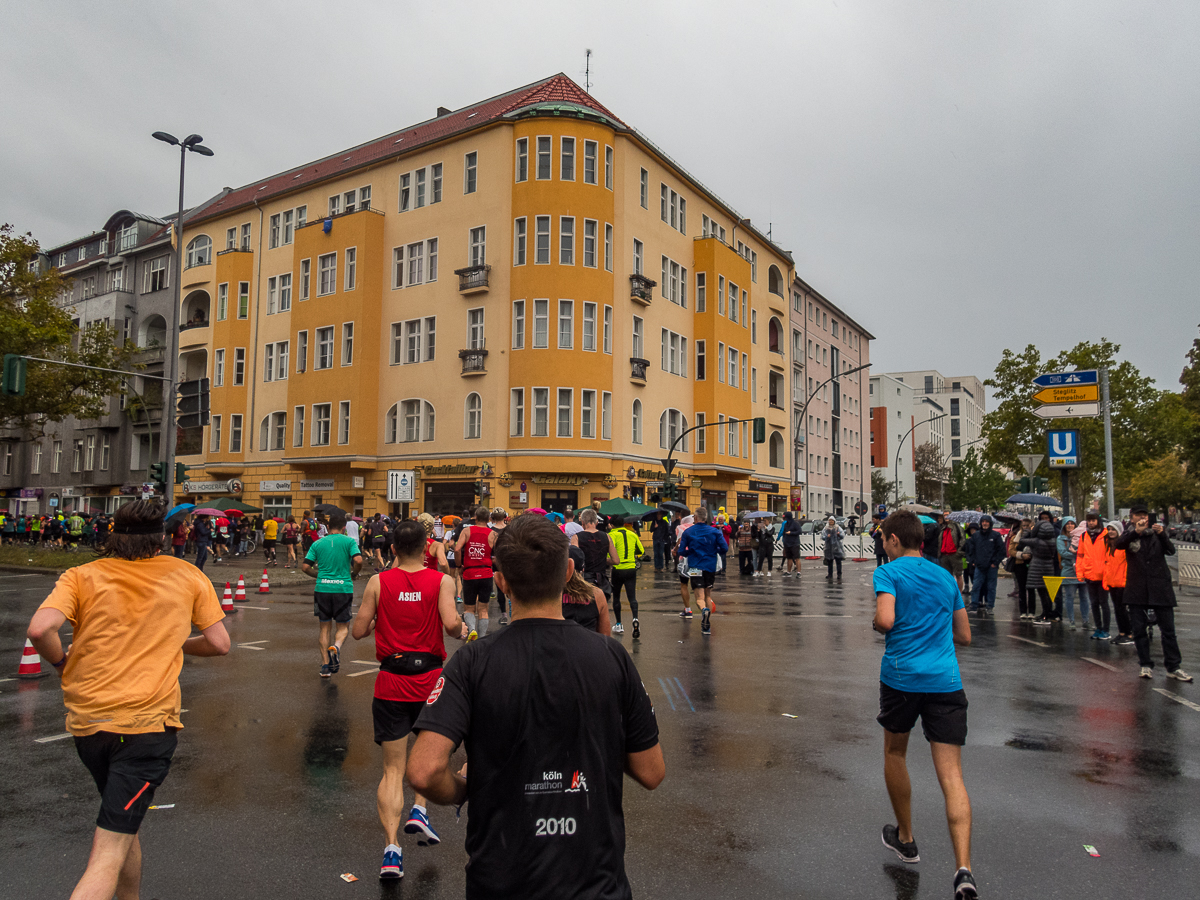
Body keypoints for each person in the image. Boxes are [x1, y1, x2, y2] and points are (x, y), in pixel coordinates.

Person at [406, 513, 664, 899]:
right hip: (596, 882)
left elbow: (424, 772)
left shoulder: (472, 662)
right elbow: (651, 771)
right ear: (568, 573)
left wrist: (463, 789)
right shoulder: (611, 657)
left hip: (502, 879)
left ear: (501, 582)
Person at [25, 500, 229, 900]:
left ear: (112, 535)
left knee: (121, 828)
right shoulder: (186, 575)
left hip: (89, 726)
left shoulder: (81, 575)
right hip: (145, 731)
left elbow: (40, 628)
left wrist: (61, 662)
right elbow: (220, 644)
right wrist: (173, 641)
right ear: (165, 538)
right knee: (107, 852)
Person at [351, 519, 468, 879]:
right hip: (430, 682)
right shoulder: (442, 581)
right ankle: (420, 808)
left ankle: (391, 850)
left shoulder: (377, 582)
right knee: (431, 757)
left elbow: (357, 631)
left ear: (392, 549)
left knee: (392, 770)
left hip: (391, 681)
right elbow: (451, 626)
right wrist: (462, 627)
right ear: (426, 548)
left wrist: (375, 620)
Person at [870, 509, 977, 900]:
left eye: (884, 539)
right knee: (952, 776)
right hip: (946, 681)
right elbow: (964, 636)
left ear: (896, 540)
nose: (883, 545)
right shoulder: (946, 576)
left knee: (895, 753)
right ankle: (963, 869)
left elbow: (885, 619)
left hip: (901, 678)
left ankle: (907, 838)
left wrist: (877, 622)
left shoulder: (889, 572)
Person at [1116, 505, 1191, 681]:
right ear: (1132, 517)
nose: (1142, 519)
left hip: (1160, 588)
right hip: (1137, 588)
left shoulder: (1157, 534)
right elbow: (1119, 545)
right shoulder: (1129, 534)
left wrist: (1162, 534)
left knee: (1168, 630)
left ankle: (1173, 667)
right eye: (1138, 516)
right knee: (1139, 630)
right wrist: (1136, 532)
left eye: (1145, 516)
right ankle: (1145, 665)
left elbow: (1171, 550)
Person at [301, 513, 364, 677]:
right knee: (343, 626)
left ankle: (325, 667)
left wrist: (319, 576)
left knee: (324, 626)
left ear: (327, 527)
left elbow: (305, 567)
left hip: (322, 588)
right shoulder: (349, 541)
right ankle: (336, 647)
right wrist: (354, 574)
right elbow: (358, 561)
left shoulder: (318, 543)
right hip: (343, 588)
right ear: (344, 528)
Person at [677, 507, 728, 636]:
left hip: (695, 566)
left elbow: (682, 551)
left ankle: (703, 610)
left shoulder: (688, 532)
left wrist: (691, 551)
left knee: (699, 597)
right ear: (706, 518)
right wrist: (713, 550)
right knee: (708, 596)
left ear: (695, 518)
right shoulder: (715, 532)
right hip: (710, 566)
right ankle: (707, 623)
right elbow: (724, 548)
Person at [456, 506, 499, 640]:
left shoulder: (467, 531)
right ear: (489, 519)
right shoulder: (493, 534)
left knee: (469, 608)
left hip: (470, 573)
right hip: (486, 573)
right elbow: (498, 556)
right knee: (484, 609)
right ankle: (481, 638)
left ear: (475, 517)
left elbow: (457, 549)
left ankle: (472, 629)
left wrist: (459, 566)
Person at [1076, 511, 1111, 639]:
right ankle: (1099, 628)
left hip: (1103, 575)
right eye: (1089, 520)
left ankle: (1106, 630)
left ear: (1098, 521)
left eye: (1093, 520)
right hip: (1089, 575)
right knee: (1094, 603)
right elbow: (1080, 555)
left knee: (1104, 603)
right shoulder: (1084, 536)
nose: (1091, 523)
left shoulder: (1106, 535)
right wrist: (1080, 572)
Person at [563, 544, 613, 634]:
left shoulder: (551, 595)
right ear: (583, 569)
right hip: (589, 645)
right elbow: (605, 636)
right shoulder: (597, 594)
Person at [1019, 519, 1060, 625]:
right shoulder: (1053, 540)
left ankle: (1045, 615)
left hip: (1037, 567)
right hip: (1048, 567)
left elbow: (1022, 541)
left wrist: (1028, 532)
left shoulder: (1036, 541)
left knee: (1042, 593)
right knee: (1046, 592)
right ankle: (1045, 613)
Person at [611, 516, 645, 638]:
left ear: (613, 525)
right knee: (632, 597)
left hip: (618, 568)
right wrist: (633, 554)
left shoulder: (612, 534)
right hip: (631, 568)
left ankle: (619, 623)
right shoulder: (632, 534)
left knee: (616, 596)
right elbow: (641, 550)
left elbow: (610, 550)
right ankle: (635, 618)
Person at [965, 516, 1006, 616]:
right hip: (979, 566)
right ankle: (974, 605)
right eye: (983, 521)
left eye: (987, 522)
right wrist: (973, 561)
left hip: (991, 567)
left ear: (990, 523)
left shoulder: (996, 535)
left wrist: (995, 563)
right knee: (976, 587)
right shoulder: (976, 536)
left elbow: (1001, 551)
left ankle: (990, 606)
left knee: (991, 587)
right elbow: (970, 549)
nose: (985, 523)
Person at [1102, 522, 1134, 645]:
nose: (1110, 531)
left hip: (1122, 582)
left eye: (1113, 529)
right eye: (1109, 529)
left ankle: (1129, 634)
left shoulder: (1124, 546)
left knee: (1123, 609)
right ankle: (1122, 633)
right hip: (1112, 582)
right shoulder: (1108, 545)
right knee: (1117, 609)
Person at [1056, 518, 1088, 629]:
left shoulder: (1083, 536)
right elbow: (1063, 553)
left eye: (1072, 523)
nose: (1070, 526)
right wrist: (1079, 555)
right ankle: (1071, 621)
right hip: (1069, 570)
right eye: (1067, 524)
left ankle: (1085, 620)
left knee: (1084, 597)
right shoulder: (1061, 538)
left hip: (1082, 570)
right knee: (1070, 596)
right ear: (1064, 526)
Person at [1007, 517, 1034, 619]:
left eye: (1027, 526)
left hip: (1031, 564)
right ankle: (1023, 611)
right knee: (1022, 589)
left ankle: (1031, 612)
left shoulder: (1034, 537)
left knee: (1031, 589)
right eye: (1024, 526)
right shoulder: (1015, 537)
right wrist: (1021, 555)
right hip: (1019, 563)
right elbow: (1011, 551)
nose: (1025, 527)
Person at [488, 508, 511, 624]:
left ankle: (504, 615)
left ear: (493, 517)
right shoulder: (510, 530)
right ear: (504, 516)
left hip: (496, 561)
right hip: (510, 559)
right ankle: (513, 610)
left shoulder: (491, 531)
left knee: (500, 589)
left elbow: (490, 548)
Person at [673, 514, 695, 617]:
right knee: (698, 585)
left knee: (684, 584)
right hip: (696, 558)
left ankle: (687, 609)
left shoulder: (680, 528)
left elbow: (679, 540)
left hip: (684, 559)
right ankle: (704, 605)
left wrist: (675, 549)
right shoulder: (696, 528)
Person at [780, 511, 802, 576]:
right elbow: (784, 533)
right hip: (787, 544)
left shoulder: (795, 523)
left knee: (797, 558)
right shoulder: (786, 524)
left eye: (785, 517)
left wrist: (791, 533)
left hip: (795, 543)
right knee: (789, 558)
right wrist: (784, 542)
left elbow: (799, 531)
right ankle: (788, 572)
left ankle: (799, 572)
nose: (784, 518)